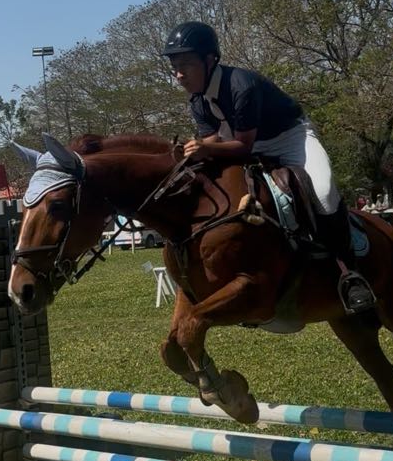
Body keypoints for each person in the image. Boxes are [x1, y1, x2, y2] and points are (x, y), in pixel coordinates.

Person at [161, 21, 375, 314]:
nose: (179, 74)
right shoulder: (198, 101)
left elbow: (242, 146)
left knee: (324, 192)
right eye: (174, 67)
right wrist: (192, 152)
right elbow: (212, 142)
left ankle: (350, 274)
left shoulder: (241, 85)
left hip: (291, 139)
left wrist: (205, 148)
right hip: (248, 146)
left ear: (210, 60)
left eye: (185, 65)